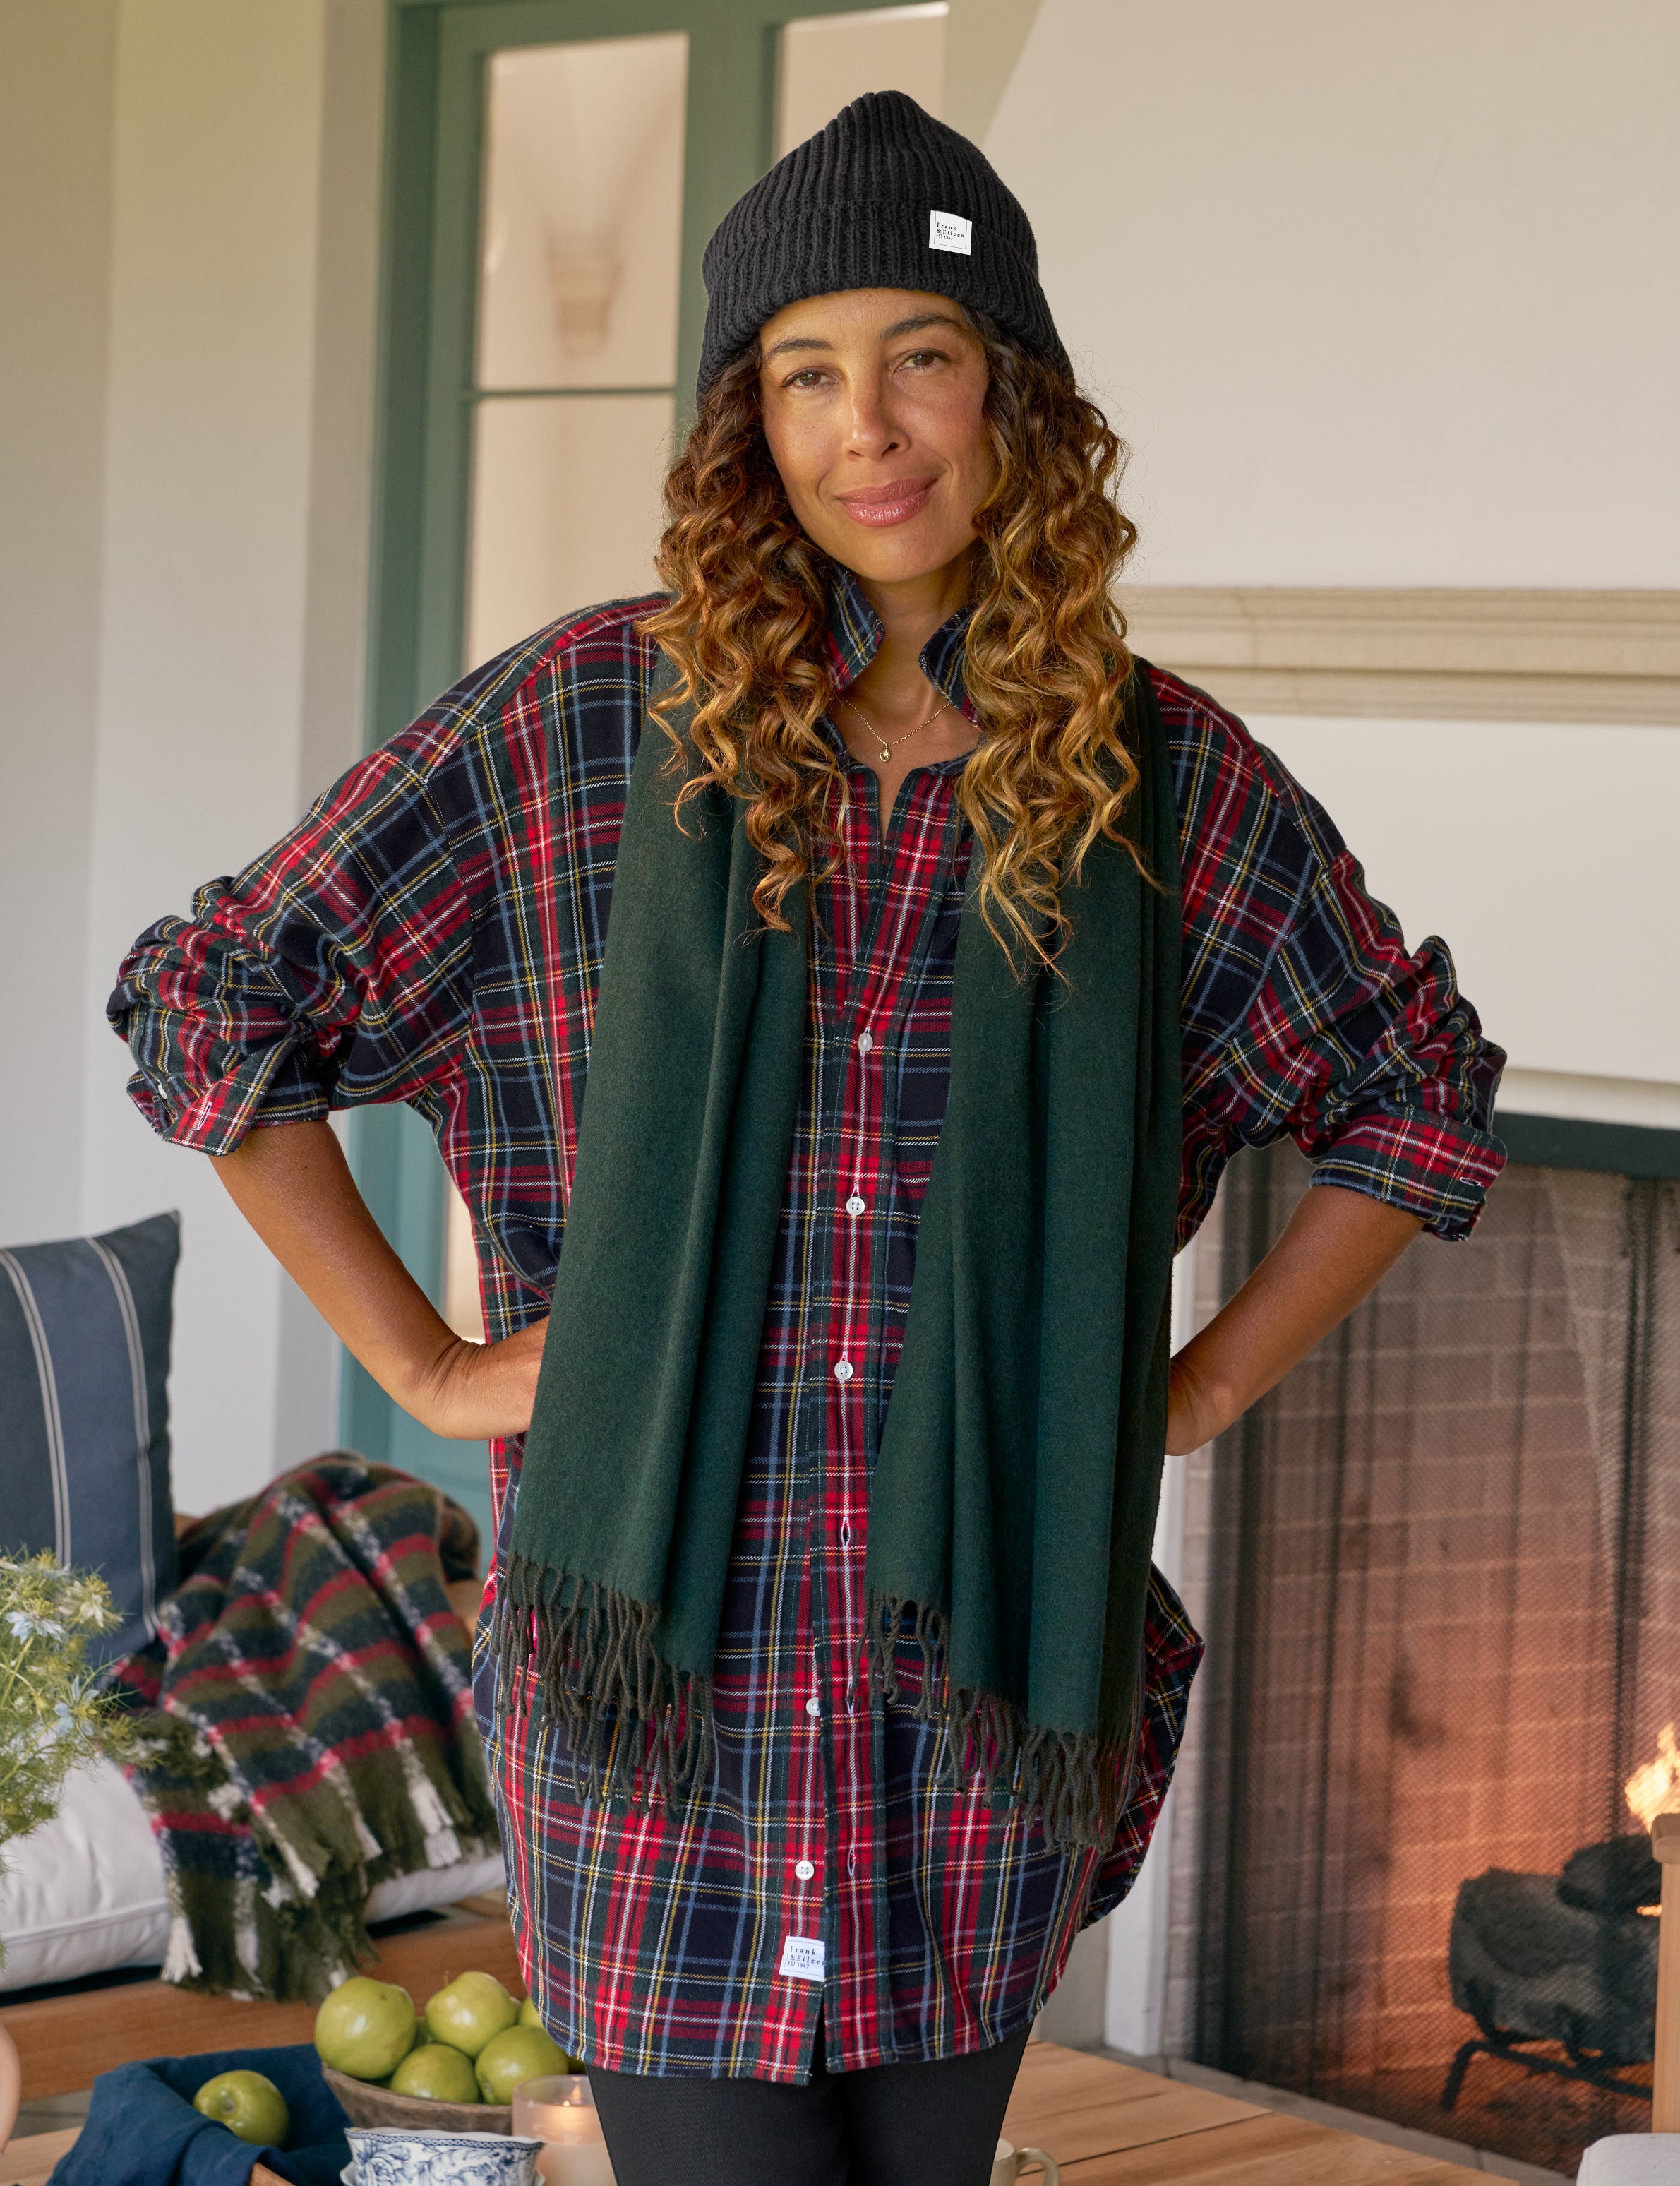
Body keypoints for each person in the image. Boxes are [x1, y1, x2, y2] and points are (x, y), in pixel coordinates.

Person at [111, 91, 1504, 2186]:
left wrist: (1200, 1380)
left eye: (920, 355)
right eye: (803, 371)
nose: (868, 427)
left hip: (973, 1716)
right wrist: (418, 1362)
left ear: (1012, 393)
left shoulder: (1161, 784)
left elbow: (1411, 1078)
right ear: (744, 425)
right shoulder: (576, 729)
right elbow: (211, 999)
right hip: (664, 1709)